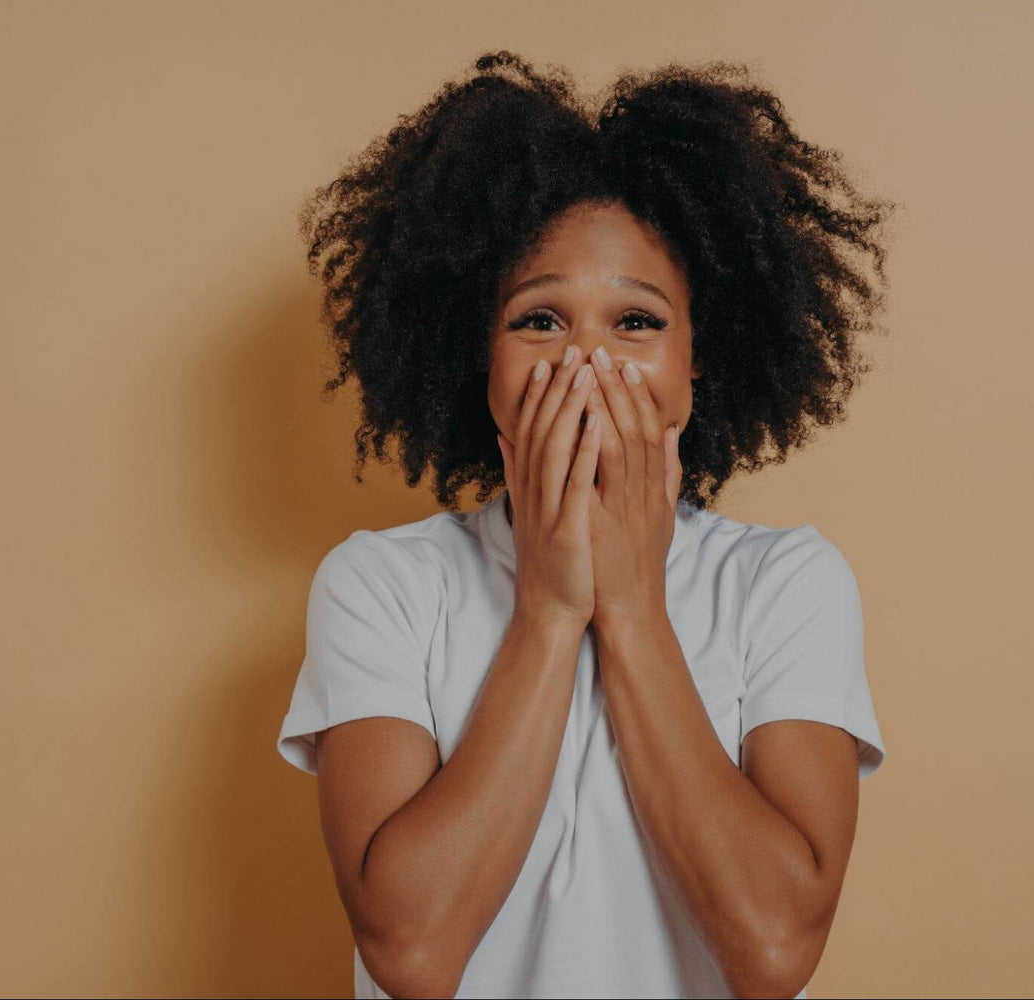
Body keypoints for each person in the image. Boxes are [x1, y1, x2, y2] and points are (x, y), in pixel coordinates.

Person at [277, 50, 893, 999]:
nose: (587, 362)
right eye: (540, 320)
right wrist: (552, 610)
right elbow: (412, 955)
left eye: (636, 322)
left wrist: (635, 607)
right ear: (477, 357)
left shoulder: (786, 585)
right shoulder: (382, 584)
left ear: (699, 357)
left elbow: (774, 952)